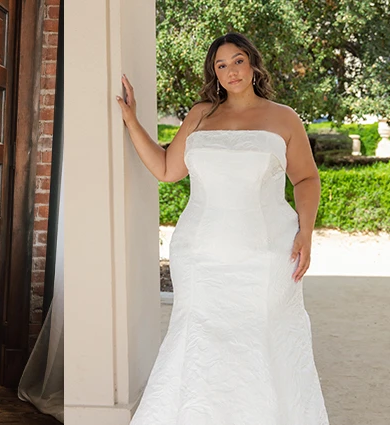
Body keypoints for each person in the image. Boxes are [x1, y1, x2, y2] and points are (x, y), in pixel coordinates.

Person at [117, 32, 329, 424]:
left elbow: (306, 180)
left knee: (262, 339)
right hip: (200, 256)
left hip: (266, 255)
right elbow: (167, 170)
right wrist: (131, 120)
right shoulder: (200, 114)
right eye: (221, 65)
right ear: (213, 74)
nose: (230, 71)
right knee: (197, 340)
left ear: (252, 64)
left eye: (237, 61)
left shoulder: (284, 117)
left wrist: (306, 232)